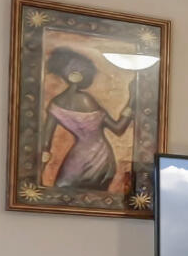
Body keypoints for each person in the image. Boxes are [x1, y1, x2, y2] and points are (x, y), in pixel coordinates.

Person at [38, 49, 131, 192]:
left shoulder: (55, 104)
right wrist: (131, 103)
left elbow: (45, 144)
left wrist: (38, 176)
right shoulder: (87, 100)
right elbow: (118, 128)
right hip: (101, 156)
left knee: (63, 192)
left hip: (82, 156)